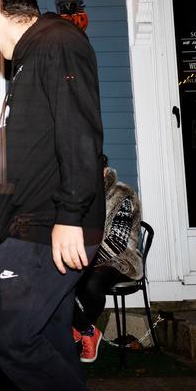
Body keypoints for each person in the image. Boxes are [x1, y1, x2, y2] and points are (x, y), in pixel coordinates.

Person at [0, 0, 105, 391]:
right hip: (35, 224)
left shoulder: (58, 43)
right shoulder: (33, 58)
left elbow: (79, 131)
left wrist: (69, 215)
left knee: (8, 339)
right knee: (50, 337)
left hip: (48, 225)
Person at [72, 155, 143, 363]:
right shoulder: (79, 196)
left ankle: (81, 331)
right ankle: (86, 330)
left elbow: (117, 243)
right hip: (85, 257)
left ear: (104, 171)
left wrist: (82, 262)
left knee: (92, 282)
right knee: (56, 280)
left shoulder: (122, 194)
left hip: (120, 259)